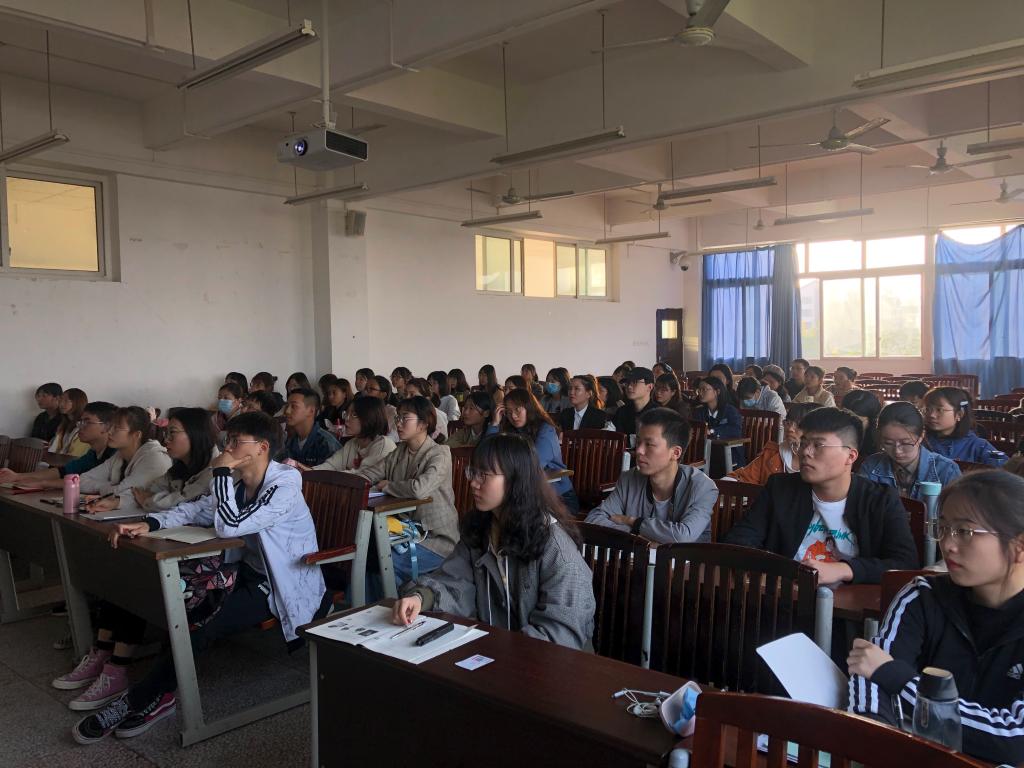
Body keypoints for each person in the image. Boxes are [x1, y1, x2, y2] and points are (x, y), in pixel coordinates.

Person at [74, 412, 324, 744]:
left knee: (203, 628)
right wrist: (150, 523)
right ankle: (162, 693)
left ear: (262, 447)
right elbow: (199, 508)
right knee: (181, 605)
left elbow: (230, 526)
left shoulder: (285, 484)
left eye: (236, 442)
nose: (228, 448)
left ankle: (134, 700)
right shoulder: (240, 480)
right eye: (227, 440)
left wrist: (220, 472)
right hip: (241, 570)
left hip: (279, 582)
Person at [847, 470, 1024, 766]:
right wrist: (880, 747)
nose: (948, 544)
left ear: (1019, 546)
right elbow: (867, 682)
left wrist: (896, 677)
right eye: (943, 528)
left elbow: (1014, 738)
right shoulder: (922, 596)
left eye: (965, 531)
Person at [392, 434, 595, 650]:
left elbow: (559, 633)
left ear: (515, 480)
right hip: (495, 654)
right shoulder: (481, 530)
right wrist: (421, 597)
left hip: (545, 663)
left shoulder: (556, 549)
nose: (473, 483)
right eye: (473, 472)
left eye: (484, 475)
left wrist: (499, 652)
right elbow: (453, 581)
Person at [724, 407, 919, 585]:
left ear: (850, 456)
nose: (806, 452)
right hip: (785, 597)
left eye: (818, 445)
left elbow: (905, 563)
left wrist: (844, 570)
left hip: (848, 604)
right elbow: (740, 539)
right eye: (803, 443)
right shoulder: (780, 488)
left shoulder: (880, 500)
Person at [352, 396, 460, 590]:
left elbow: (419, 489)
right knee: (366, 556)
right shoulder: (399, 451)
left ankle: (388, 604)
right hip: (403, 533)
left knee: (386, 563)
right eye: (397, 418)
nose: (398, 423)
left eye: (405, 418)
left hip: (435, 540)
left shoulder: (440, 453)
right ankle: (367, 606)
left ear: (423, 424)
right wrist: (348, 482)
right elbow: (370, 474)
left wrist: (388, 486)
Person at [586, 408, 717, 543]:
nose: (639, 450)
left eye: (649, 444)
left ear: (675, 453)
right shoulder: (629, 478)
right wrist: (638, 537)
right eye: (638, 442)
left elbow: (683, 537)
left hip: (684, 557)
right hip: (637, 555)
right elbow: (594, 519)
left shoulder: (702, 487)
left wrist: (633, 522)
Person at [488, 388, 578, 513]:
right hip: (525, 494)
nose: (513, 415)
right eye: (508, 412)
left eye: (517, 409)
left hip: (558, 497)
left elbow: (533, 463)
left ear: (528, 407)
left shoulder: (546, 430)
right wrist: (494, 424)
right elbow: (488, 455)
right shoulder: (510, 430)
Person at [0, 401, 118, 488]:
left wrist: (42, 483)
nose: (79, 427)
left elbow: (89, 483)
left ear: (107, 427)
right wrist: (17, 476)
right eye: (80, 422)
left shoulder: (116, 454)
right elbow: (63, 471)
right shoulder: (93, 453)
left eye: (86, 422)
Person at [858, 401, 961, 499]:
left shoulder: (946, 470)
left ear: (921, 436)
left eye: (905, 443)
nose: (897, 451)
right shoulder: (871, 465)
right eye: (888, 443)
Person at [79, 407, 173, 503]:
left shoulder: (155, 458)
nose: (109, 432)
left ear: (136, 435)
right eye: (111, 426)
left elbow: (127, 493)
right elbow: (81, 481)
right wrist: (111, 486)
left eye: (117, 428)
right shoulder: (119, 455)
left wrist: (112, 488)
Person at [724, 402, 822, 485]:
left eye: (799, 425)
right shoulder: (772, 454)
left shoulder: (823, 462)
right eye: (788, 423)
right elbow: (742, 477)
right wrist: (725, 483)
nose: (790, 429)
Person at [923, 387, 1008, 467]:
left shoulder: (977, 446)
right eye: (927, 409)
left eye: (939, 410)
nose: (931, 415)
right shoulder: (920, 441)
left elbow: (1004, 471)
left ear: (959, 414)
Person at [310, 396, 396, 473]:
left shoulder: (383, 444)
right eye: (346, 413)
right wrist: (309, 471)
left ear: (370, 417)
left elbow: (363, 476)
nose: (347, 419)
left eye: (354, 415)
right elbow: (330, 465)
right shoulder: (352, 444)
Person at [280, 388, 341, 467]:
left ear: (311, 411)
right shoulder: (290, 440)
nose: (287, 411)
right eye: (287, 406)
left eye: (294, 406)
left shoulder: (326, 443)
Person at [694, 376, 745, 468]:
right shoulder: (699, 412)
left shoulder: (730, 410)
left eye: (704, 389)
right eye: (699, 390)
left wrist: (713, 431)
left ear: (717, 392)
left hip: (729, 455)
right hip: (707, 454)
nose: (700, 393)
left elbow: (736, 430)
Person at [736, 375, 787, 442]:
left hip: (774, 433)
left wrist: (753, 420)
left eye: (747, 398)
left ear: (757, 391)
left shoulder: (772, 397)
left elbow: (776, 421)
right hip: (753, 431)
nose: (745, 401)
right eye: (743, 399)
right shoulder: (743, 397)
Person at [613, 367, 658, 436]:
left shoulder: (659, 414)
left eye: (635, 382)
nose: (629, 386)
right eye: (627, 382)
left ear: (649, 387)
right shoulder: (622, 412)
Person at [841, 389, 881, 458]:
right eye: (845, 416)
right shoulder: (836, 432)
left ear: (870, 420)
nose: (849, 423)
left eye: (856, 420)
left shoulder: (878, 440)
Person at [51, 388, 90, 457]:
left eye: (66, 400)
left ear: (78, 403)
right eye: (61, 399)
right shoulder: (64, 424)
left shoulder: (83, 427)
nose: (61, 404)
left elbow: (75, 456)